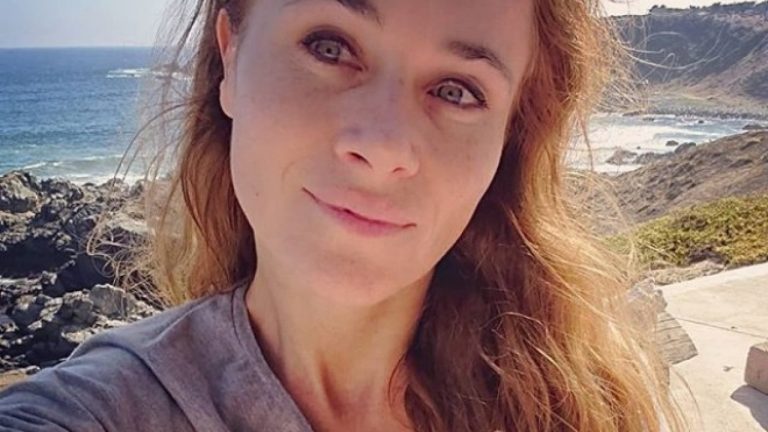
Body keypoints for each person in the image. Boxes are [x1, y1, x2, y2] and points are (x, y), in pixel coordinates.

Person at [0, 0, 684, 430]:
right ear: (230, 56)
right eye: (329, 46)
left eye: (457, 90)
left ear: (507, 142)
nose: (383, 147)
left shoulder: (578, 402)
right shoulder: (99, 410)